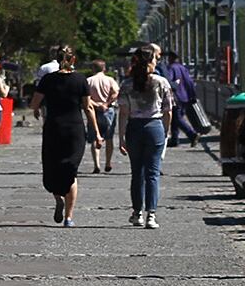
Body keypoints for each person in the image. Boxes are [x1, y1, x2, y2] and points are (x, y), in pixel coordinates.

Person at [30, 45, 98, 225]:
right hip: (75, 130)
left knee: (52, 168)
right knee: (70, 171)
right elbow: (88, 107)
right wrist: (97, 133)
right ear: (73, 59)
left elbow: (34, 103)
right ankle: (69, 217)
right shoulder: (81, 80)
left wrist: (39, 107)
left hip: (53, 128)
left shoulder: (48, 79)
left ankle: (58, 198)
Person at [118, 43, 173, 227]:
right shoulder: (161, 82)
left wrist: (121, 137)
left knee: (137, 173)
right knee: (153, 173)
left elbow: (123, 112)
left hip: (134, 128)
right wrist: (166, 131)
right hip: (155, 127)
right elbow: (168, 110)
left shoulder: (127, 84)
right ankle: (152, 214)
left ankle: (137, 213)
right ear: (151, 61)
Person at [85, 58, 120, 174]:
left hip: (93, 110)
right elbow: (116, 93)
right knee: (109, 138)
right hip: (108, 110)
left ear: (93, 68)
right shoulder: (110, 80)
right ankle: (108, 162)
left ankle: (97, 164)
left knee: (95, 137)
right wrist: (106, 103)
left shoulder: (88, 81)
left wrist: (97, 104)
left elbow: (86, 98)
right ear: (104, 68)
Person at [163, 49, 200, 147]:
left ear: (170, 58)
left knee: (177, 118)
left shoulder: (171, 68)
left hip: (176, 97)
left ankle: (192, 134)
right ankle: (175, 139)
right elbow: (190, 82)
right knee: (175, 119)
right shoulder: (183, 68)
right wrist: (193, 95)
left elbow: (169, 82)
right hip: (185, 97)